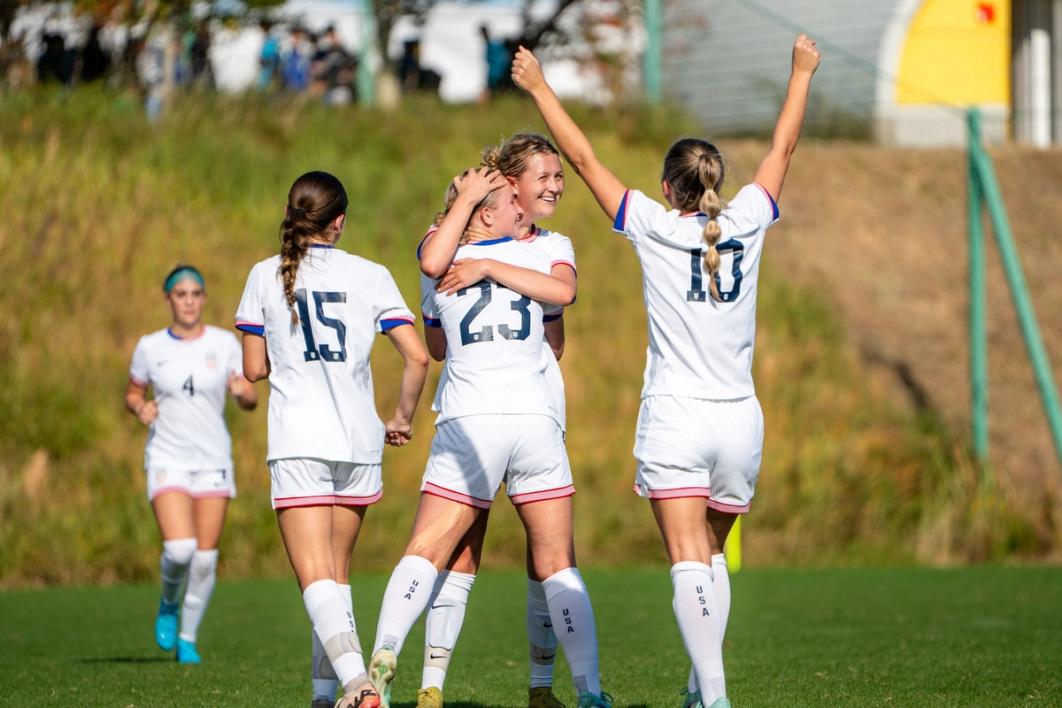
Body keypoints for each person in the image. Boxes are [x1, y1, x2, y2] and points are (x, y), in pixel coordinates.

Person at [513, 35, 821, 708]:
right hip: (741, 417)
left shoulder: (653, 225)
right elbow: (783, 149)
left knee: (688, 558)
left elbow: (584, 158)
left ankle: (713, 696)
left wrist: (538, 87)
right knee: (712, 558)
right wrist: (800, 72)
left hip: (679, 416)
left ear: (666, 188)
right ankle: (696, 689)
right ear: (716, 183)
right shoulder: (747, 218)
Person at [367, 174, 611, 708]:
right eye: (513, 206)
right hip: (534, 420)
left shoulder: (438, 251)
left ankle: (381, 663)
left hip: (471, 418)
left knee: (428, 550)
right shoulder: (539, 259)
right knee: (557, 565)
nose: (524, 211)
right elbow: (557, 335)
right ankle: (590, 692)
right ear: (484, 212)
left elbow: (435, 345)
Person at [235, 171, 429, 708]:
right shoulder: (371, 274)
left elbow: (253, 370)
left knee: (315, 577)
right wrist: (402, 418)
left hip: (299, 438)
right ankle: (325, 697)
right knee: (336, 579)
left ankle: (357, 686)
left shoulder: (263, 275)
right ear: (339, 221)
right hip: (359, 440)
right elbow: (417, 356)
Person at [414, 135, 575, 708]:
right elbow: (438, 342)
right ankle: (432, 686)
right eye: (542, 177)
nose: (554, 186)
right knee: (461, 552)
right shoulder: (451, 248)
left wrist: (489, 269)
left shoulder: (554, 245)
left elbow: (557, 325)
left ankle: (541, 687)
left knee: (547, 557)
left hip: (535, 416)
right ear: (510, 187)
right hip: (482, 412)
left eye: (559, 177)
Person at [126, 264, 258, 665]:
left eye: (195, 294)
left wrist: (242, 393)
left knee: (204, 557)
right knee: (180, 549)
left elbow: (250, 396)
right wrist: (140, 407)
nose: (188, 301)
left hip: (212, 459)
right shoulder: (150, 346)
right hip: (167, 456)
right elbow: (133, 393)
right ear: (168, 299)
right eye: (180, 294)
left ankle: (188, 637)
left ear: (203, 298)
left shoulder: (223, 344)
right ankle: (168, 602)